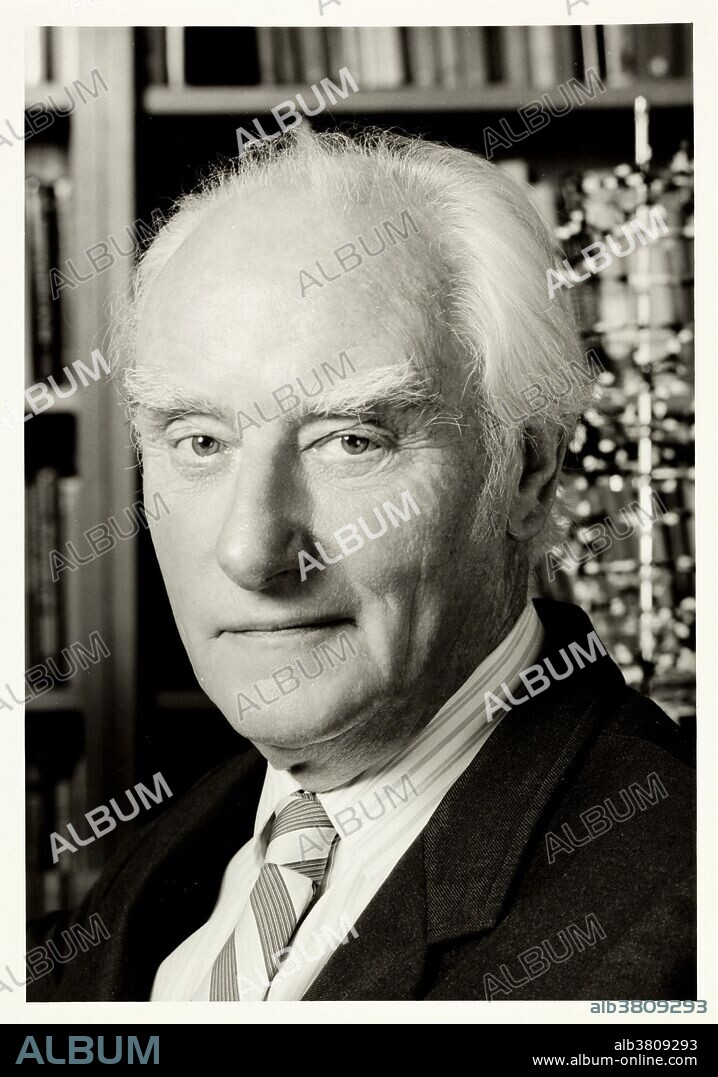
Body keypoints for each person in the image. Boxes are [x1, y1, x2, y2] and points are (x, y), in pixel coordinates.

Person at [28, 129, 694, 1002]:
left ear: (526, 472)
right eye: (199, 440)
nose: (251, 550)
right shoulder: (174, 852)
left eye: (351, 439)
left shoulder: (673, 914)